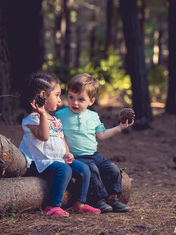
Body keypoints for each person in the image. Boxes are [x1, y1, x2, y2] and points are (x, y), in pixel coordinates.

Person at [19, 72, 100, 216]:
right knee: (65, 170)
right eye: (56, 95)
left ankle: (79, 203)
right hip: (40, 162)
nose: (59, 100)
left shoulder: (55, 119)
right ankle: (52, 206)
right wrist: (43, 114)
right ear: (43, 95)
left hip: (57, 159)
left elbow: (61, 139)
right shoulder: (32, 119)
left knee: (84, 169)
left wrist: (67, 153)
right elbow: (44, 136)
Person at [55, 73, 134, 213]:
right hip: (75, 157)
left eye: (81, 99)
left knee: (113, 168)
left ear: (91, 101)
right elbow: (54, 134)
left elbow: (102, 135)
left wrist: (120, 128)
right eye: (71, 97)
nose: (74, 103)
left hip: (94, 155)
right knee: (92, 170)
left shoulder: (93, 116)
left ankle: (112, 198)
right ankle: (98, 200)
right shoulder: (60, 115)